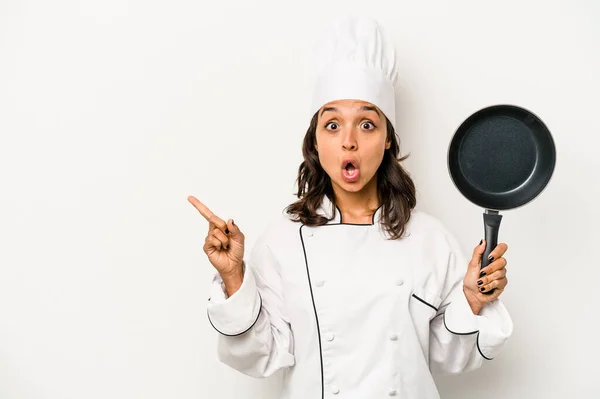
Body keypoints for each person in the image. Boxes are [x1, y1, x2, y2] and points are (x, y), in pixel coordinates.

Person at [188, 15, 513, 399]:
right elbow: (262, 356)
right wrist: (234, 278)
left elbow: (445, 355)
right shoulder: (283, 241)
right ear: (315, 141)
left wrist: (473, 300)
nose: (348, 141)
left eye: (367, 124)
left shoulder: (429, 239)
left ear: (388, 138)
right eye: (332, 125)